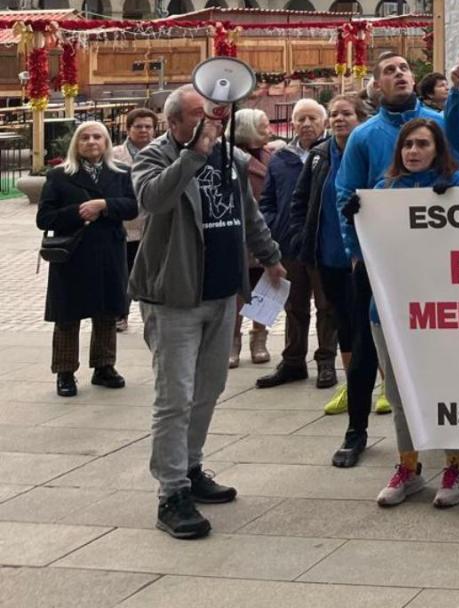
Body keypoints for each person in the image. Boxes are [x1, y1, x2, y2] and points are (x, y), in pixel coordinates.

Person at [131, 85, 285, 539]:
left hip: (222, 293)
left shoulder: (227, 156)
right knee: (174, 396)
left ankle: (191, 466)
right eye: (198, 116)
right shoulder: (155, 156)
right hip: (175, 295)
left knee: (209, 388)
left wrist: (270, 254)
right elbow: (152, 200)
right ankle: (171, 492)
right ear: (174, 122)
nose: (208, 124)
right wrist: (192, 157)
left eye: (211, 117)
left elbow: (248, 211)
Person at [345, 119, 459, 510]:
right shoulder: (383, 191)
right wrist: (355, 218)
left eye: (422, 144)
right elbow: (368, 251)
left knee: (446, 386)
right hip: (389, 309)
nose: (413, 152)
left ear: (438, 149)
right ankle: (408, 466)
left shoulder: (458, 186)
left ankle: (455, 466)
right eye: (407, 145)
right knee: (398, 392)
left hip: (443, 310)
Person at [333, 54, 439, 439]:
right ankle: (357, 430)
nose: (399, 74)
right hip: (379, 263)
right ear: (377, 85)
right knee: (366, 347)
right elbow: (346, 195)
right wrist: (358, 254)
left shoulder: (439, 124)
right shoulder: (363, 136)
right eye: (390, 71)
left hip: (432, 263)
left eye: (404, 68)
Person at [285, 93, 372, 464]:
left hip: (365, 260)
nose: (339, 119)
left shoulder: (367, 149)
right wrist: (302, 238)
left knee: (370, 333)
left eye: (346, 113)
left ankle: (378, 391)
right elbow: (300, 199)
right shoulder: (320, 155)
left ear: (361, 118)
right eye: (334, 114)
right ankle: (356, 414)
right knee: (344, 326)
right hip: (328, 257)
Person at [39, 120, 138, 397]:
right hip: (73, 254)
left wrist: (105, 206)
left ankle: (104, 367)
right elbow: (44, 218)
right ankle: (65, 371)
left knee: (107, 312)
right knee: (67, 315)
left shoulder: (121, 173)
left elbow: (132, 207)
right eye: (85, 138)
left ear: (106, 143)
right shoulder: (59, 176)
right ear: (76, 144)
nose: (91, 142)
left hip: (108, 251)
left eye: (97, 137)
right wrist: (79, 211)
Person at [257, 99, 338, 389]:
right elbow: (267, 199)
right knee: (294, 304)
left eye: (312, 118)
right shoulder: (281, 158)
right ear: (292, 124)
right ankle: (293, 361)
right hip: (289, 243)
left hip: (321, 242)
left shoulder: (332, 153)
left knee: (327, 306)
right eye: (300, 119)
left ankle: (326, 361)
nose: (306, 124)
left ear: (324, 123)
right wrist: (272, 223)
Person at [228, 109, 280, 369]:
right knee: (238, 287)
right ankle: (232, 340)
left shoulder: (273, 156)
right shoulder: (231, 158)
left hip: (268, 230)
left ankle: (259, 337)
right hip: (240, 231)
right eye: (263, 125)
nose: (269, 129)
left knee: (267, 285)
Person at [109, 106, 158, 332]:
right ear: (128, 129)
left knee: (152, 271)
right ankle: (120, 313)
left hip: (153, 222)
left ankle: (154, 315)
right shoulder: (114, 154)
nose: (144, 131)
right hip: (126, 224)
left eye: (148, 127)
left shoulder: (163, 152)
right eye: (138, 127)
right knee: (123, 271)